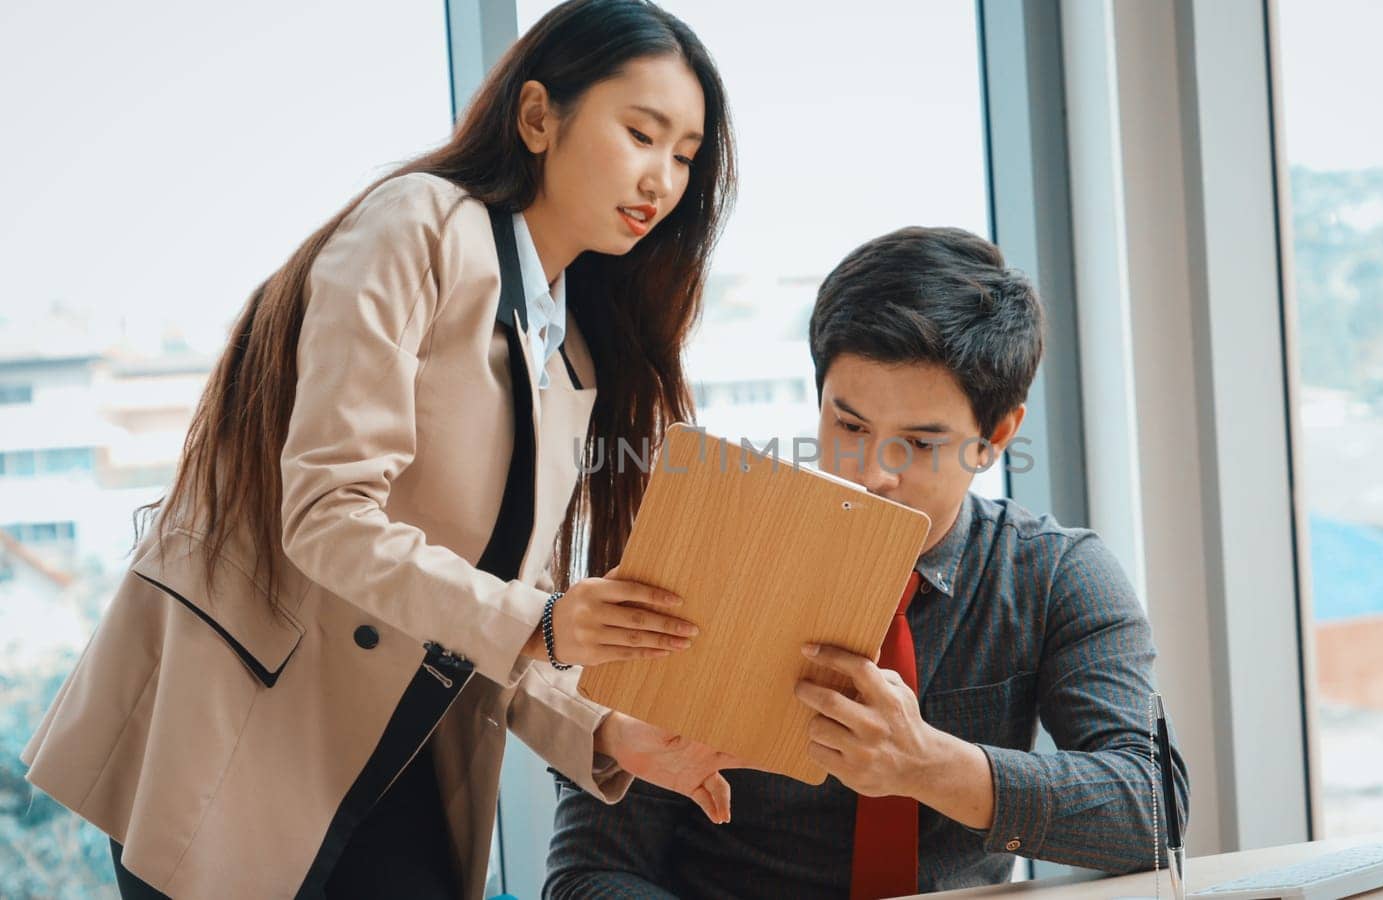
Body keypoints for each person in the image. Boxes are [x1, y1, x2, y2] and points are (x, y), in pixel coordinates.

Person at [21, 1, 740, 897]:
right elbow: (327, 519)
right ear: (537, 117)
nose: (663, 180)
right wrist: (545, 622)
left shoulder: (576, 355)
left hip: (397, 755)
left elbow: (496, 613)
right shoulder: (420, 225)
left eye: (684, 156)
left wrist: (603, 731)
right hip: (246, 735)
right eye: (642, 133)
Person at [544, 227, 1189, 898]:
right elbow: (589, 877)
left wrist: (930, 765)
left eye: (918, 442)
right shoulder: (705, 566)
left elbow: (1154, 810)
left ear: (996, 437)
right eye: (848, 427)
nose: (874, 473)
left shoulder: (1052, 576)